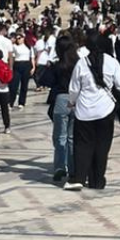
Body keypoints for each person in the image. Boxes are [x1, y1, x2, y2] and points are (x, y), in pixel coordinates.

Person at [65, 32, 120, 190]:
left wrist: (71, 102)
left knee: (82, 145)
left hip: (84, 110)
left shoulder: (81, 63)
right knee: (102, 146)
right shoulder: (112, 62)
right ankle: (97, 180)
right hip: (105, 110)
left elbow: (73, 88)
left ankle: (79, 177)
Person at [47, 32, 78, 181]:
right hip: (74, 99)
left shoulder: (57, 65)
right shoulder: (78, 64)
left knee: (60, 136)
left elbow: (45, 80)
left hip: (60, 100)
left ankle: (60, 166)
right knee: (72, 137)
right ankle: (72, 169)